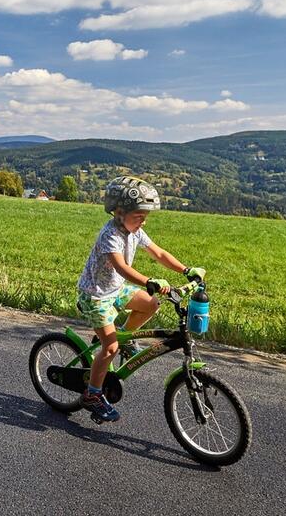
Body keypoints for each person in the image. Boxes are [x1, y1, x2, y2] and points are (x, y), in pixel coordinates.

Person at [75, 176, 205, 423]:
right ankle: (92, 394)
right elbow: (122, 267)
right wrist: (149, 281)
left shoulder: (135, 231)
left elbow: (158, 253)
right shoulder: (110, 235)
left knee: (151, 303)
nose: (143, 220)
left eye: (145, 216)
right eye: (139, 216)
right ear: (120, 212)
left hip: (115, 289)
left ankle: (123, 336)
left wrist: (186, 270)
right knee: (109, 348)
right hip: (95, 296)